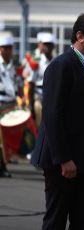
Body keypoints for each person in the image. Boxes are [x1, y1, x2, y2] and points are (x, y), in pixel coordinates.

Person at [30, 13, 84, 229]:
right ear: (80, 36)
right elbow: (53, 115)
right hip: (66, 163)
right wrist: (64, 159)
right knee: (56, 220)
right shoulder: (62, 65)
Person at [0, 35, 25, 177]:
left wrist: (23, 97)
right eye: (4, 48)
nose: (7, 51)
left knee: (8, 138)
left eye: (9, 48)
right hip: (1, 101)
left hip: (11, 103)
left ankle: (4, 164)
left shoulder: (15, 65)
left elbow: (20, 84)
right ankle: (2, 167)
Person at [23, 32, 56, 127]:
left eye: (49, 44)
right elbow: (31, 84)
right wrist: (31, 105)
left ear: (53, 46)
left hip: (52, 97)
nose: (47, 47)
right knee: (40, 125)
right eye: (45, 44)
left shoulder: (56, 61)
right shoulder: (36, 60)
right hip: (39, 97)